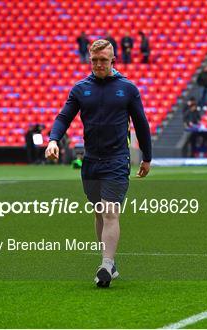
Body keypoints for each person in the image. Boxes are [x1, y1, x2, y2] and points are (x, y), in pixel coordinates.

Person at [45, 39, 152, 288]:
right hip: (91, 160)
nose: (98, 65)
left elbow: (142, 124)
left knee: (110, 211)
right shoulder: (80, 89)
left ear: (113, 60)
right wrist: (53, 141)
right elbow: (63, 117)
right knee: (98, 211)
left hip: (117, 159)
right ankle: (108, 263)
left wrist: (147, 157)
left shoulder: (127, 88)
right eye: (94, 60)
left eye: (103, 60)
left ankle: (106, 263)